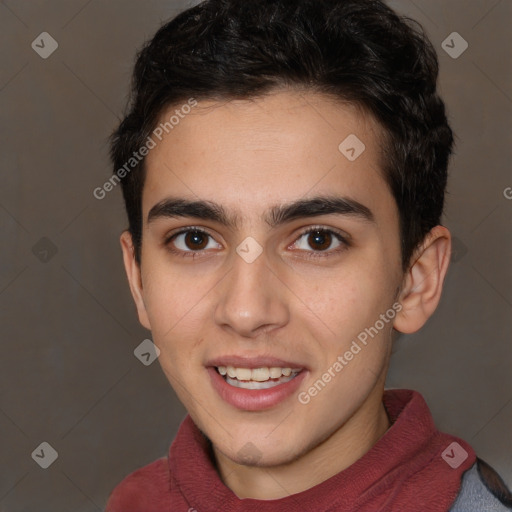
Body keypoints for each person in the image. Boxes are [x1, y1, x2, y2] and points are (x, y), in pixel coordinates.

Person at [105, 0, 512, 510]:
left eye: (318, 239)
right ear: (138, 278)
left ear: (417, 280)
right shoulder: (133, 501)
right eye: (195, 240)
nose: (247, 311)